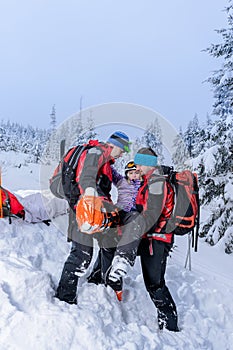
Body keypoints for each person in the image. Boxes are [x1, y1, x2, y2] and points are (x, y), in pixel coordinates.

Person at [107, 147, 179, 332]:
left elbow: (151, 215)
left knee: (155, 284)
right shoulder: (148, 181)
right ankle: (107, 280)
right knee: (110, 246)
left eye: (138, 164)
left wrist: (133, 227)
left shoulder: (157, 182)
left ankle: (170, 326)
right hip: (149, 236)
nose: (136, 167)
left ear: (147, 164)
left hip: (158, 239)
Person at [55, 131, 131, 305]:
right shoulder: (96, 152)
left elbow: (102, 192)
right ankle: (64, 298)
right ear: (114, 145)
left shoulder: (105, 162)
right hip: (83, 210)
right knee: (81, 255)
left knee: (109, 242)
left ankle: (97, 278)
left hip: (93, 211)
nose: (123, 154)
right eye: (123, 149)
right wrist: (89, 195)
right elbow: (86, 177)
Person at [87, 160, 142, 298]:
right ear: (126, 174)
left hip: (133, 216)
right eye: (131, 173)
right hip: (119, 213)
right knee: (106, 243)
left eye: (136, 172)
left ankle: (115, 274)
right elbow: (112, 173)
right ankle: (97, 274)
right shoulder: (122, 182)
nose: (134, 175)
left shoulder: (143, 185)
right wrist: (104, 160)